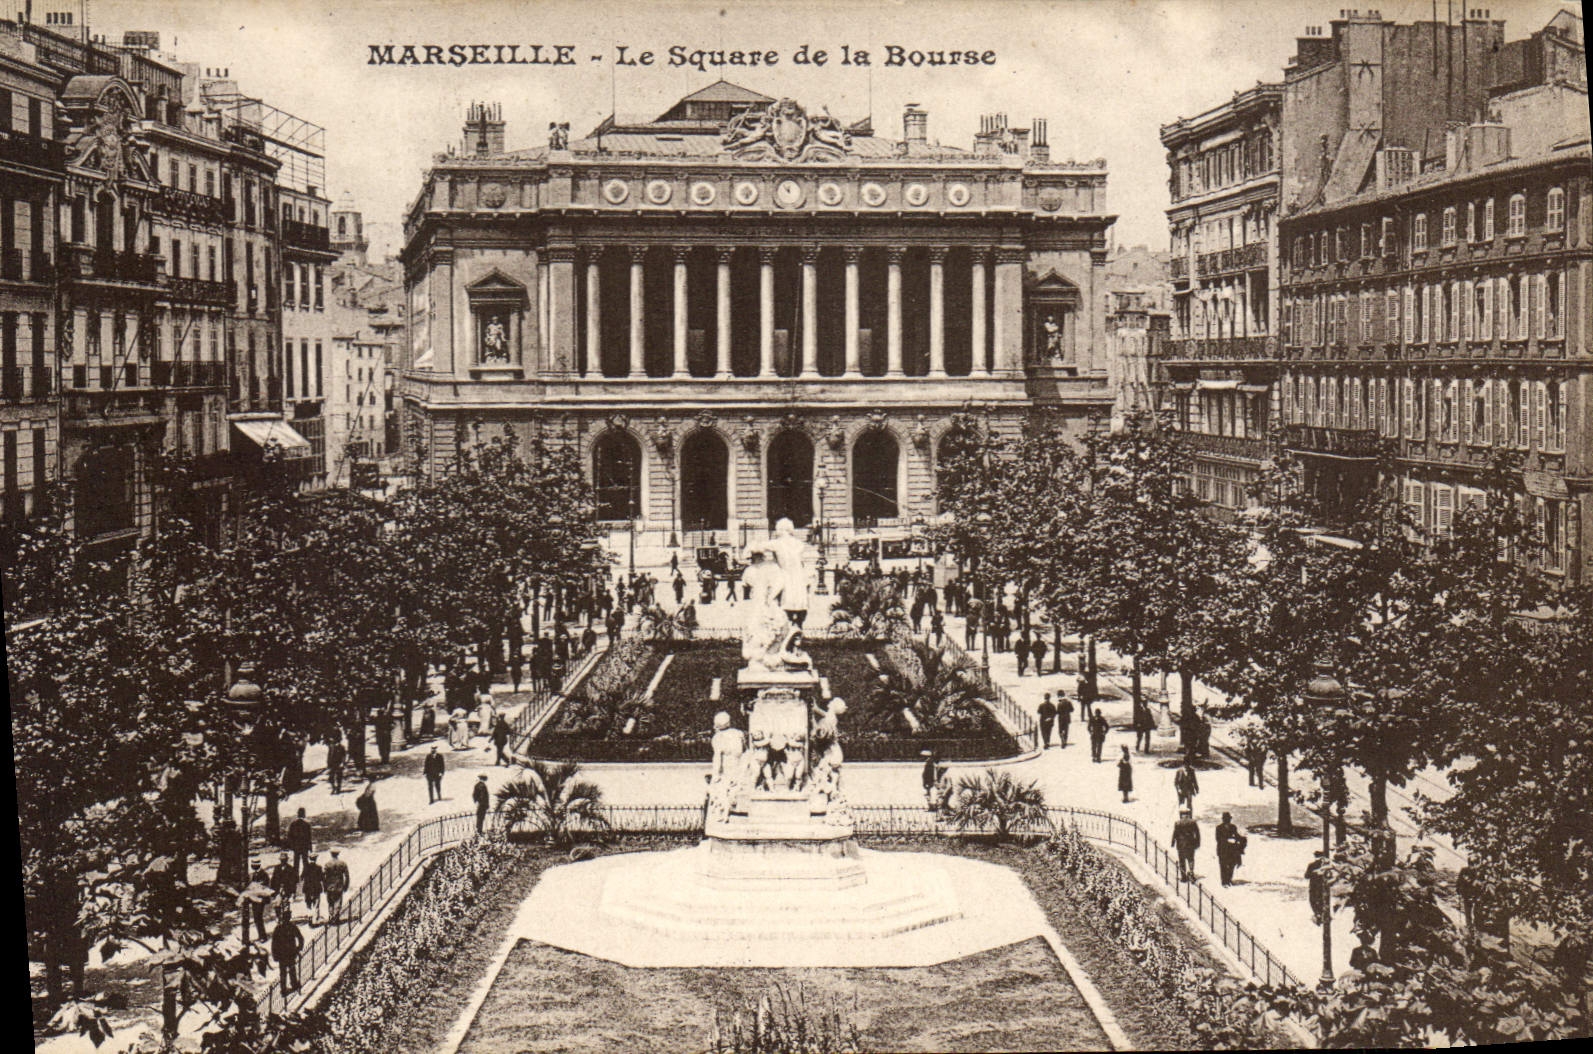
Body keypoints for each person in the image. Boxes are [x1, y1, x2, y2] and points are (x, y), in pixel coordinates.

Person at [1215, 811, 1246, 887]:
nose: (1227, 820)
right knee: (1223, 865)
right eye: (1226, 819)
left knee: (1231, 864)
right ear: (1223, 820)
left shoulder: (1233, 827)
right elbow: (1218, 838)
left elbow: (1236, 835)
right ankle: (1224, 882)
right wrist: (1227, 840)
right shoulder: (1219, 828)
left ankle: (1229, 879)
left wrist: (1242, 839)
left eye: (1228, 819)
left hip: (1231, 850)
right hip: (1222, 849)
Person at [1172, 808, 1201, 882]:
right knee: (1191, 858)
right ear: (1188, 814)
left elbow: (1175, 833)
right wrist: (1198, 842)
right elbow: (1197, 833)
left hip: (1181, 844)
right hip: (1191, 843)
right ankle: (1191, 872)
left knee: (1182, 860)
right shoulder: (1192, 822)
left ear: (1181, 814)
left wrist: (1173, 842)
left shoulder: (1178, 823)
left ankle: (1183, 877)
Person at [244, 858, 269, 943]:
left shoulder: (264, 874)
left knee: (258, 917)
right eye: (252, 865)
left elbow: (265, 886)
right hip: (253, 899)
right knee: (256, 918)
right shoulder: (251, 875)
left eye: (255, 865)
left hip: (260, 899)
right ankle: (261, 935)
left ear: (258, 865)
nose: (253, 866)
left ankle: (263, 936)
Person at [322, 850, 350, 925]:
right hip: (339, 886)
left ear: (331, 855)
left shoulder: (327, 864)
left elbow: (323, 877)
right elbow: (347, 876)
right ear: (338, 854)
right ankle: (335, 917)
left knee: (330, 902)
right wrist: (346, 885)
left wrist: (324, 886)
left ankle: (331, 917)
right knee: (338, 901)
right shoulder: (342, 864)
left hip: (329, 886)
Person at [269, 852, 297, 922]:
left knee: (286, 905)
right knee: (277, 905)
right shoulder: (277, 868)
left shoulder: (290, 868)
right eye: (282, 860)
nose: (283, 861)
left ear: (286, 860)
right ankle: (278, 917)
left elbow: (293, 882)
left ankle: (286, 920)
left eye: (284, 860)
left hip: (287, 890)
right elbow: (273, 880)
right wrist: (272, 892)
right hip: (278, 890)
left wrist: (293, 892)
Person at [1306, 850, 1330, 927]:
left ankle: (1318, 913)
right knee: (1321, 899)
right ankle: (1321, 914)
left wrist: (1313, 874)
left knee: (1313, 900)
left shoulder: (1311, 865)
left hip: (1313, 885)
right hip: (1322, 885)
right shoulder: (1325, 865)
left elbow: (1306, 876)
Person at [286, 807, 313, 876]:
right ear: (304, 814)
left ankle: (295, 876)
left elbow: (290, 836)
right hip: (304, 847)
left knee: (296, 862)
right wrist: (310, 848)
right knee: (305, 862)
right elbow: (309, 837)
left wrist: (291, 846)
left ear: (297, 814)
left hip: (296, 847)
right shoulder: (307, 824)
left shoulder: (293, 824)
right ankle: (305, 876)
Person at [300, 853, 324, 924]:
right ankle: (316, 919)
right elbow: (321, 878)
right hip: (316, 888)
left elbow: (301, 877)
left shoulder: (306, 867)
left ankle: (310, 918)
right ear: (316, 859)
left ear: (309, 859)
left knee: (308, 903)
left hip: (307, 888)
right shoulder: (319, 867)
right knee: (316, 904)